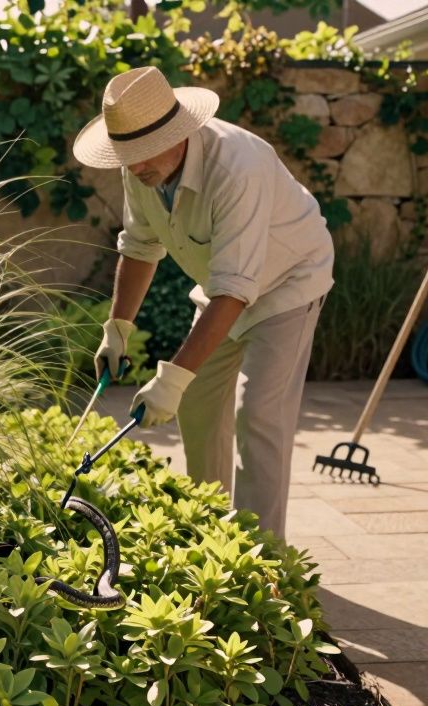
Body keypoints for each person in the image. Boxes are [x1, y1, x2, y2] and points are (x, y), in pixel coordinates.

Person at [72, 66, 334, 537]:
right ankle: (212, 535)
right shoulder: (144, 168)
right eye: (125, 156)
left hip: (289, 281)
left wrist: (170, 379)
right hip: (222, 285)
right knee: (196, 405)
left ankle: (263, 558)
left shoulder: (237, 165)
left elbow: (236, 289)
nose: (133, 167)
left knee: (258, 416)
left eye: (141, 154)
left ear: (178, 132)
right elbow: (139, 246)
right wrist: (118, 328)